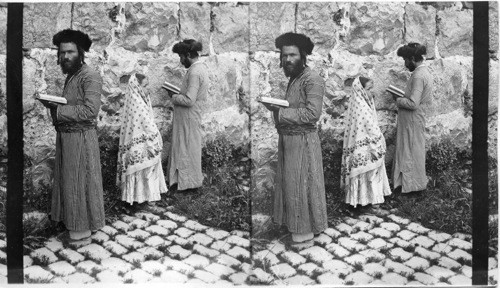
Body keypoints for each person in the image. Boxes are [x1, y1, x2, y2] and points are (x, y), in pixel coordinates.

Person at [38, 29, 105, 242]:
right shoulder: (72, 76)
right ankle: (82, 225)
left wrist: (57, 110)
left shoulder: (90, 76)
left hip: (82, 139)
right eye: (62, 53)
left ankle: (80, 231)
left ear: (81, 53)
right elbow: (74, 104)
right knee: (71, 182)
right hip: (68, 138)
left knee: (79, 182)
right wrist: (53, 103)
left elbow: (89, 111)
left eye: (70, 52)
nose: (65, 57)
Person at [261, 32, 328, 243]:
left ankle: (305, 233)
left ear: (303, 56)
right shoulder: (294, 78)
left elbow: (311, 114)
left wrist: (279, 112)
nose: (287, 60)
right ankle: (299, 226)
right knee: (291, 185)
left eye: (292, 55)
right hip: (289, 142)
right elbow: (296, 106)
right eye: (284, 56)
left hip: (303, 142)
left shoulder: (313, 79)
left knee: (302, 184)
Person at [341, 76, 391, 213]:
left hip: (362, 147)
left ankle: (362, 201)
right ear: (361, 90)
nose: (371, 93)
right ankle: (373, 203)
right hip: (366, 147)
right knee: (371, 174)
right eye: (368, 89)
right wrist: (378, 138)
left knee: (368, 174)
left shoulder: (357, 103)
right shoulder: (362, 106)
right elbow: (370, 127)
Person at [117, 73, 168, 206]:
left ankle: (140, 198)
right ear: (137, 87)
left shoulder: (136, 100)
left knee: (145, 171)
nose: (147, 90)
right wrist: (155, 137)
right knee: (146, 171)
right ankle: (147, 199)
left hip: (139, 144)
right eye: (145, 86)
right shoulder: (138, 104)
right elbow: (147, 124)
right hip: (142, 144)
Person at [391, 43, 433, 194]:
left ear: (413, 59)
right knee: (412, 151)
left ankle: (411, 188)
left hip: (412, 120)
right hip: (414, 119)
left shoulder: (418, 76)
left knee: (410, 152)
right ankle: (411, 186)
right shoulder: (423, 73)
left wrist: (398, 99)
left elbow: (413, 103)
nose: (405, 63)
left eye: (405, 59)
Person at [167, 39, 208, 193]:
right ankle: (186, 183)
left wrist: (174, 96)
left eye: (181, 56)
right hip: (190, 117)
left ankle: (188, 185)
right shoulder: (200, 69)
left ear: (189, 55)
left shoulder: (195, 72)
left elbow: (190, 100)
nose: (181, 60)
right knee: (188, 148)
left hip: (189, 118)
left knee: (187, 150)